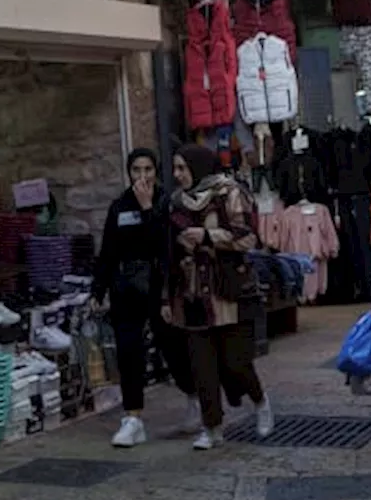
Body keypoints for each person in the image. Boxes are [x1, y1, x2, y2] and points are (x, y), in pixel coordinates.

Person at [164, 144, 273, 450]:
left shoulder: (229, 193)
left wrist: (209, 236)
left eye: (183, 168)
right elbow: (168, 254)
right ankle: (212, 427)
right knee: (203, 366)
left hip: (229, 292)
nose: (178, 175)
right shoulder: (175, 204)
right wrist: (167, 297)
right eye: (176, 168)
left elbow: (249, 236)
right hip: (193, 293)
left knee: (236, 362)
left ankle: (260, 402)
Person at [95, 148, 198, 448]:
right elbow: (108, 251)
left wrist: (147, 208)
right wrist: (98, 289)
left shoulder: (167, 202)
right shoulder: (119, 206)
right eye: (136, 170)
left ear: (156, 171)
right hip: (126, 286)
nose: (143, 176)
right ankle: (133, 417)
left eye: (148, 169)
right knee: (129, 352)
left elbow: (163, 243)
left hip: (158, 286)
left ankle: (194, 396)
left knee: (172, 346)